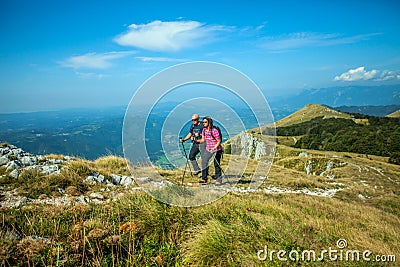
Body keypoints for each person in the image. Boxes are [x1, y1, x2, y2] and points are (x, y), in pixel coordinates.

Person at [199, 116, 223, 185]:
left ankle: (219, 180)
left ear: (209, 122)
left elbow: (218, 141)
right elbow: (203, 139)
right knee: (204, 162)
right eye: (203, 122)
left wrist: (214, 148)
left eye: (205, 122)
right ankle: (204, 178)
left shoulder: (214, 130)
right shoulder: (204, 130)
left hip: (216, 150)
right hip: (208, 149)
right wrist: (195, 140)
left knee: (216, 164)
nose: (203, 123)